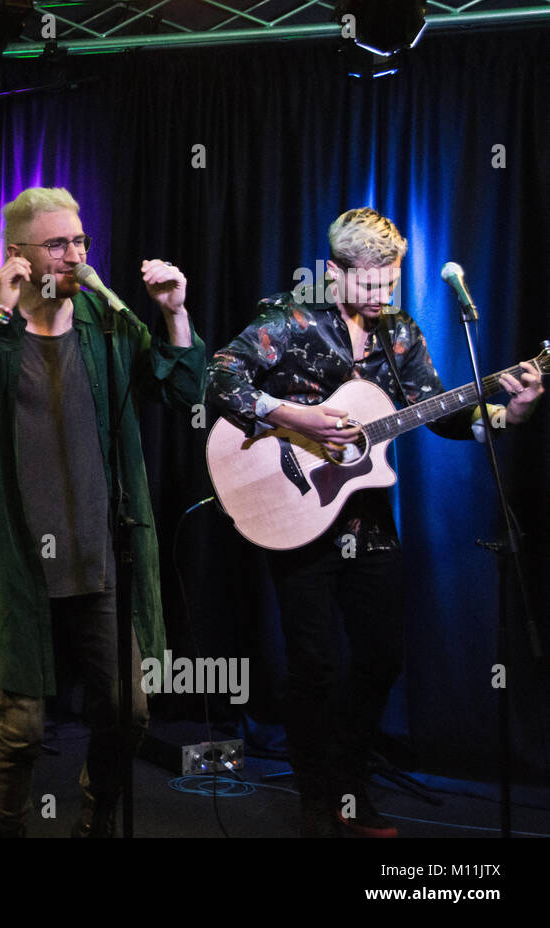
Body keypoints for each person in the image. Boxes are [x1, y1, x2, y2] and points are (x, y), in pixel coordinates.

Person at [207, 207, 544, 837]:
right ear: (333, 272)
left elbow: (440, 414)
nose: (381, 295)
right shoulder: (289, 319)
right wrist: (296, 417)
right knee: (314, 664)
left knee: (383, 657)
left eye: (390, 282)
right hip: (296, 513)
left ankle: (347, 779)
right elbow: (220, 378)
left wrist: (510, 414)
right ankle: (316, 798)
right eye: (368, 283)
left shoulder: (402, 334)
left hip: (370, 524)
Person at [0, 187, 206, 837]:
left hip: (102, 558)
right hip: (18, 570)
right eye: (58, 244)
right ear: (17, 255)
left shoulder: (108, 327)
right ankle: (5, 829)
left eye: (80, 242)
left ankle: (94, 824)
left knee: (127, 712)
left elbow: (185, 390)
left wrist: (175, 315)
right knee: (20, 729)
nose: (74, 255)